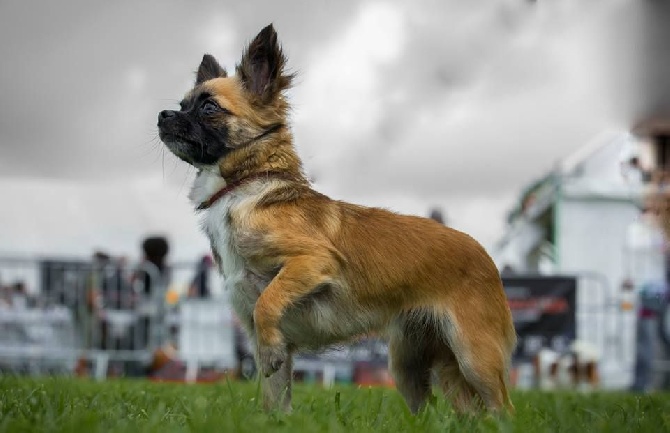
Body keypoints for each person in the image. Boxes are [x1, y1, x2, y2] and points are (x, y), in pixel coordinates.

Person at [626, 197, 669, 392]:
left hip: (653, 292)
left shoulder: (654, 232)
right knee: (656, 336)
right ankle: (648, 382)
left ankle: (645, 383)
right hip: (653, 291)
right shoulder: (652, 231)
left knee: (649, 337)